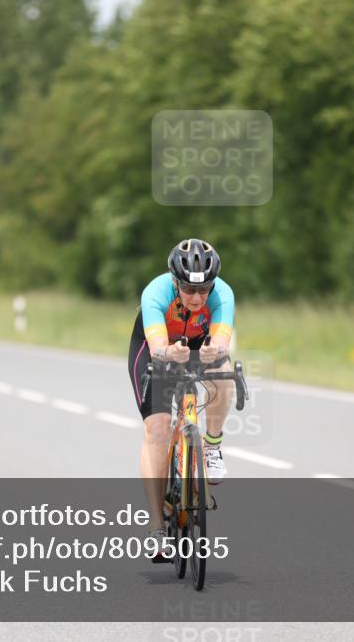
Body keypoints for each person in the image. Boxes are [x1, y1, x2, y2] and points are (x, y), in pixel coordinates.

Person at [127, 238, 235, 560]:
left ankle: (212, 446)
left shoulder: (223, 295)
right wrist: (167, 353)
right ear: (175, 281)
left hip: (199, 347)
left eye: (204, 290)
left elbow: (222, 339)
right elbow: (158, 343)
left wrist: (216, 351)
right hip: (155, 350)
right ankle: (156, 525)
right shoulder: (155, 292)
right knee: (158, 429)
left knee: (223, 373)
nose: (197, 297)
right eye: (189, 289)